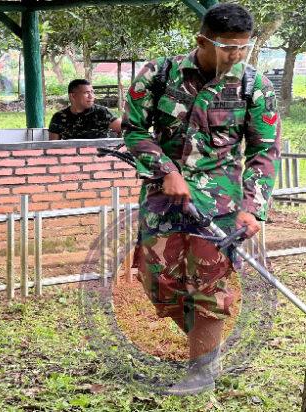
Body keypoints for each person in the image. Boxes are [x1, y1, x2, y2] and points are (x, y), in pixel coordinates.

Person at [123, 3, 280, 395]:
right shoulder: (160, 74)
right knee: (158, 281)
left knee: (207, 287)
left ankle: (202, 371)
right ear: (202, 41)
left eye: (243, 47)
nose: (236, 55)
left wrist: (253, 207)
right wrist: (166, 171)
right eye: (228, 47)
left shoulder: (254, 85)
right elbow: (134, 128)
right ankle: (207, 352)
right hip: (164, 200)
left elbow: (264, 151)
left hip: (220, 206)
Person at [48, 79, 121, 140]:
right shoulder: (59, 117)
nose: (91, 96)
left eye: (92, 92)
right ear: (73, 96)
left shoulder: (101, 112)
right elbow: (53, 146)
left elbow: (124, 128)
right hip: (71, 156)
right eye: (86, 93)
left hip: (100, 155)